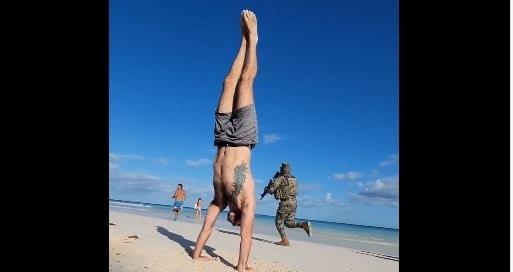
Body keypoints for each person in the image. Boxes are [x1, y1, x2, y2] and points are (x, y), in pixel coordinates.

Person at [192, 9, 259, 272]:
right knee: (245, 82)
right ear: (240, 217)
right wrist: (242, 267)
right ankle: (251, 39)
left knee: (228, 81)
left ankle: (243, 40)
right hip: (243, 137)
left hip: (220, 138)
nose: (232, 222)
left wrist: (197, 254)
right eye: (235, 222)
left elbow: (207, 225)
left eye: (231, 222)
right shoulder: (247, 202)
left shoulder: (218, 201)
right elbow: (247, 236)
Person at [262, 163, 312, 246]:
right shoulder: (294, 179)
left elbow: (271, 191)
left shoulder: (280, 178)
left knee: (278, 222)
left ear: (282, 170)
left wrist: (267, 189)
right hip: (294, 202)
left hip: (285, 203)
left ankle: (284, 241)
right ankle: (303, 224)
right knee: (288, 222)